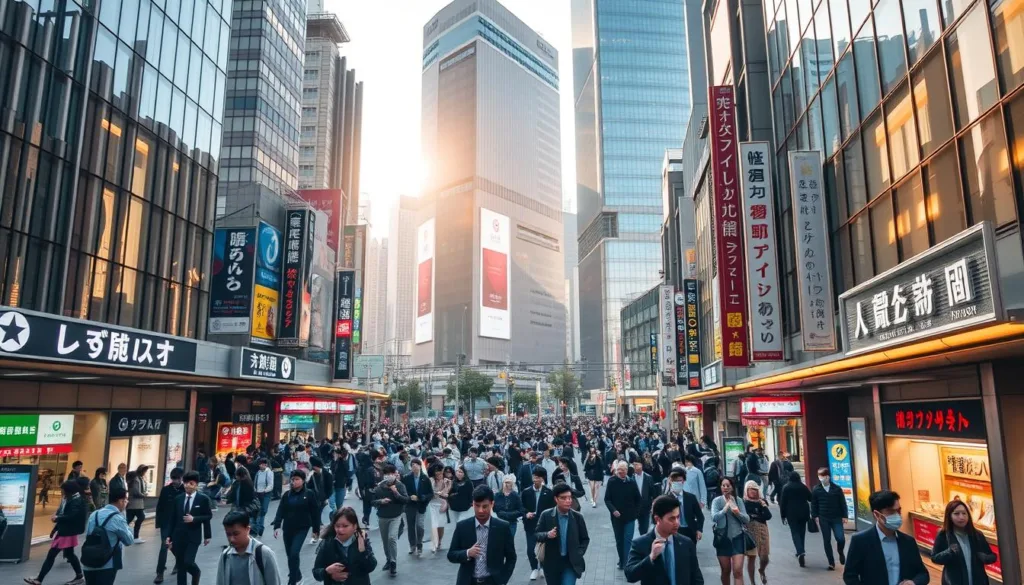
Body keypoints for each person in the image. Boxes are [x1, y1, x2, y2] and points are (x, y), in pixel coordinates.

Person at [842, 490, 929, 585]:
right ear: (877, 514)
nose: (897, 515)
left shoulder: (908, 542)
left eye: (899, 510)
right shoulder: (860, 541)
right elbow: (850, 576)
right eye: (891, 512)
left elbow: (923, 573)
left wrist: (914, 582)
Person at [625, 495, 704, 585]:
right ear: (657, 519)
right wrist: (651, 557)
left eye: (678, 517)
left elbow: (697, 578)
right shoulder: (640, 543)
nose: (677, 523)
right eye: (672, 519)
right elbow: (630, 575)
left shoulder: (687, 543)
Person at [447, 485, 517, 585]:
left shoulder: (502, 527)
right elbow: (451, 555)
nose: (480, 510)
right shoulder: (462, 526)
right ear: (472, 504)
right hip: (468, 581)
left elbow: (511, 557)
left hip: (493, 581)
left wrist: (503, 579)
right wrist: (467, 553)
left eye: (485, 506)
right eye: (477, 505)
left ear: (492, 504)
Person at [25, 480, 87, 585]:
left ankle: (39, 579)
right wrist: (54, 529)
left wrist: (57, 518)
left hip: (66, 533)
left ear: (69, 491)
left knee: (51, 555)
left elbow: (71, 516)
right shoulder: (70, 499)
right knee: (70, 554)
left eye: (63, 490)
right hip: (67, 531)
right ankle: (79, 576)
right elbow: (66, 514)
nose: (62, 492)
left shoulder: (75, 500)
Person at [930, 499, 997, 585]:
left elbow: (992, 556)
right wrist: (949, 552)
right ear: (949, 516)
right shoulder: (943, 535)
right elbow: (935, 558)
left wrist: (985, 558)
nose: (961, 517)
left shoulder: (977, 535)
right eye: (956, 514)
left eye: (964, 513)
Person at [272, 470, 322, 585]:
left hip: (302, 528)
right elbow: (281, 510)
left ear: (303, 481)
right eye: (293, 479)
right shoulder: (287, 495)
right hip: (288, 529)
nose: (294, 482)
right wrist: (277, 526)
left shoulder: (309, 494)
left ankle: (292, 580)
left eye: (297, 479)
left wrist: (316, 530)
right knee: (290, 555)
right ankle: (297, 575)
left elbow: (315, 512)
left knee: (294, 553)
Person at [534, 482, 590, 585]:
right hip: (552, 564)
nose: (568, 501)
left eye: (569, 498)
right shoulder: (546, 515)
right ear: (556, 499)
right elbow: (537, 534)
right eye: (564, 498)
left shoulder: (577, 517)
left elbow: (585, 539)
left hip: (570, 563)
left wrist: (579, 553)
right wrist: (547, 535)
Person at [166, 471, 213, 585]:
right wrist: (168, 536)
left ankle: (196, 572)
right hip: (178, 536)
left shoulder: (203, 499)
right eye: (186, 483)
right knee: (181, 565)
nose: (187, 485)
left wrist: (206, 534)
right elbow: (172, 519)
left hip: (193, 536)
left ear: (196, 484)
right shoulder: (178, 499)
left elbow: (208, 516)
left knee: (188, 561)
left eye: (191, 483)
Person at [81, 486, 134, 585]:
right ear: (120, 501)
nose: (127, 502)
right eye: (126, 500)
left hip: (89, 561)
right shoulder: (117, 518)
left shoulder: (94, 514)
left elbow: (88, 535)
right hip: (107, 564)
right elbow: (129, 540)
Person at [312, 507, 376, 585]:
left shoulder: (361, 540)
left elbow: (371, 567)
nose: (340, 530)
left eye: (345, 526)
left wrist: (362, 549)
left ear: (354, 526)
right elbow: (316, 572)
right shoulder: (327, 543)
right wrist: (327, 572)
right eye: (337, 526)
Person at [216, 511, 282, 585]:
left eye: (236, 534)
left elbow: (274, 582)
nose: (232, 539)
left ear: (247, 529)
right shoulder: (225, 556)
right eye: (228, 534)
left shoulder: (264, 554)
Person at [371, 463, 408, 577]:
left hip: (395, 516)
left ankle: (393, 562)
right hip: (382, 517)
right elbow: (372, 501)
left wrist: (396, 492)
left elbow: (406, 500)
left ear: (395, 474)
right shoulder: (379, 487)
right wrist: (381, 501)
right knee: (385, 541)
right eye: (386, 474)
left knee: (392, 538)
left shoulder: (400, 485)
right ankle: (388, 559)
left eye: (391, 474)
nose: (389, 476)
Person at [711, 477, 749, 585]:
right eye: (723, 485)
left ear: (732, 487)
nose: (725, 488)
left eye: (728, 485)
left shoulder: (738, 500)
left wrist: (737, 512)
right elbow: (714, 517)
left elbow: (746, 519)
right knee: (726, 570)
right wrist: (725, 508)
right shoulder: (717, 501)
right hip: (722, 538)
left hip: (738, 537)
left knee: (738, 571)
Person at [605, 460, 642, 571]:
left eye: (623, 469)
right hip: (617, 518)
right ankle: (622, 560)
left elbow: (638, 499)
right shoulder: (612, 481)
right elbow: (607, 499)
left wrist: (636, 513)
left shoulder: (631, 482)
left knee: (628, 540)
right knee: (619, 540)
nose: (621, 472)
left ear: (627, 470)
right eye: (619, 469)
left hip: (630, 517)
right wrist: (613, 510)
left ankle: (626, 563)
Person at [811, 466, 849, 570]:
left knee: (840, 538)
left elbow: (843, 503)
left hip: (836, 517)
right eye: (819, 476)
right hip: (824, 518)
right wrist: (815, 516)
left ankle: (840, 551)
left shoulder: (836, 489)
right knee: (826, 540)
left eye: (822, 476)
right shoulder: (816, 489)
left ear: (828, 476)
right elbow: (814, 504)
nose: (821, 478)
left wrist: (845, 516)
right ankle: (831, 562)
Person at [522, 467, 555, 581]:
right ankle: (534, 568)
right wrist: (526, 514)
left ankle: (543, 568)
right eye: (534, 477)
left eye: (538, 477)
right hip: (530, 524)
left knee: (543, 547)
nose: (535, 479)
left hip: (543, 524)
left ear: (543, 478)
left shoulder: (549, 492)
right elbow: (521, 507)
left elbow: (552, 509)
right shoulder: (526, 492)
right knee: (531, 548)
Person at [154, 468, 185, 584]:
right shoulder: (166, 490)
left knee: (175, 546)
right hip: (166, 522)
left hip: (179, 523)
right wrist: (158, 523)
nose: (175, 481)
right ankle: (159, 573)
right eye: (173, 479)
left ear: (181, 478)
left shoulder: (185, 490)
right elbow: (160, 506)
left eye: (177, 479)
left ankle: (178, 562)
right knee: (164, 546)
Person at [778, 471, 811, 567]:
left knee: (795, 532)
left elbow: (782, 503)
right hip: (804, 512)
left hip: (791, 513)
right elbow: (810, 498)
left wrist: (783, 516)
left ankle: (800, 551)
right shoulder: (803, 487)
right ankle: (801, 550)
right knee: (802, 532)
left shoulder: (786, 487)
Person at [400, 457, 433, 557]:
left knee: (420, 526)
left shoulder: (425, 479)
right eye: (412, 465)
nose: (414, 467)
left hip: (421, 505)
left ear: (420, 466)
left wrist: (422, 497)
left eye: (416, 465)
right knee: (410, 526)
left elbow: (430, 493)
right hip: (410, 505)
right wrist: (409, 497)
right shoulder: (406, 478)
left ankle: (420, 545)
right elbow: (403, 492)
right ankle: (412, 545)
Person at [742, 481, 772, 585]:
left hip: (762, 531)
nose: (753, 492)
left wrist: (761, 508)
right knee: (751, 557)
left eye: (755, 489)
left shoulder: (761, 502)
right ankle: (752, 582)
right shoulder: (744, 503)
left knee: (765, 558)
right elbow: (744, 517)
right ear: (746, 490)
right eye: (751, 489)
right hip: (750, 531)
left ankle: (762, 570)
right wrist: (756, 516)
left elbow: (768, 516)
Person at [666, 469, 704, 545]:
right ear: (670, 481)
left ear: (683, 481)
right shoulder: (666, 499)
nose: (677, 483)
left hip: (690, 530)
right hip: (674, 531)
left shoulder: (691, 497)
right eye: (674, 480)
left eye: (679, 480)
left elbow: (700, 516)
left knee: (691, 554)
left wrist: (699, 530)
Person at [427, 463, 451, 553]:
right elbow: (430, 492)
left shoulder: (446, 481)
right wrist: (437, 492)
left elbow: (446, 493)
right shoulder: (431, 480)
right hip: (432, 504)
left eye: (441, 471)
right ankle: (434, 543)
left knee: (441, 525)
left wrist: (446, 486)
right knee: (434, 525)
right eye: (438, 471)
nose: (440, 473)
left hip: (442, 504)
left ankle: (439, 541)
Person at [631, 460, 656, 536]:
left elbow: (653, 492)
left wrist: (653, 505)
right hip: (635, 507)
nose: (635, 467)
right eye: (634, 465)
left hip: (646, 506)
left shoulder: (648, 478)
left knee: (644, 527)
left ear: (641, 465)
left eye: (637, 465)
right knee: (636, 526)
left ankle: (643, 538)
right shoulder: (631, 478)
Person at [253, 459, 274, 537]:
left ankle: (260, 527)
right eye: (261, 464)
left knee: (263, 510)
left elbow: (271, 484)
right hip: (258, 493)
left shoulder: (269, 473)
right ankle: (258, 528)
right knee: (258, 510)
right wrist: (255, 490)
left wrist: (265, 491)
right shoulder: (258, 473)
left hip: (266, 494)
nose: (262, 466)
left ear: (266, 465)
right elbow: (255, 483)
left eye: (263, 464)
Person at [125, 469, 148, 542]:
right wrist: (144, 495)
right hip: (136, 504)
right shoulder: (136, 480)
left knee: (129, 518)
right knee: (141, 517)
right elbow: (136, 492)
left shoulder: (132, 480)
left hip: (133, 503)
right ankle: (135, 537)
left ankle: (124, 533)